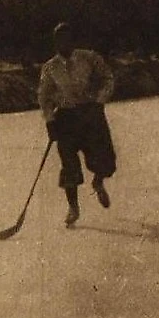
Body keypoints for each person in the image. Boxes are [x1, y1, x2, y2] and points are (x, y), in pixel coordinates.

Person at [37, 22, 117, 227]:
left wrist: (100, 101)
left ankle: (98, 181)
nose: (63, 43)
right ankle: (73, 207)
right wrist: (50, 121)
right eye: (58, 39)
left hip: (91, 114)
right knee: (69, 165)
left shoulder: (89, 58)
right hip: (66, 119)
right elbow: (44, 97)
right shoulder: (50, 67)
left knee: (104, 160)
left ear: (73, 40)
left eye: (67, 38)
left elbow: (108, 78)